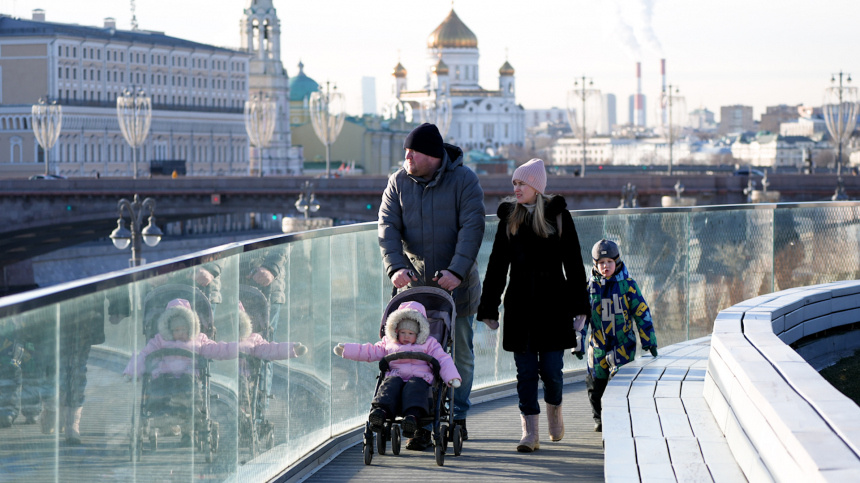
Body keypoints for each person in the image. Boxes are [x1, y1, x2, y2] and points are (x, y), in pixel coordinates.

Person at [378, 122, 485, 450]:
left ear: (433, 156)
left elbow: (472, 226)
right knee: (410, 355)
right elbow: (387, 228)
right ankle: (420, 422)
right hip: (412, 292)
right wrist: (395, 267)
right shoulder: (398, 182)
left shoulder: (464, 180)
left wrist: (456, 270)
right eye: (405, 151)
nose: (406, 156)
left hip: (457, 288)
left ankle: (459, 415)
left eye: (413, 151)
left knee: (460, 353)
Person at [476, 158, 590, 453]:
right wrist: (489, 307)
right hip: (519, 309)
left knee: (552, 370)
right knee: (525, 372)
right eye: (514, 183)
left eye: (521, 183)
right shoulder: (508, 219)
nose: (515, 188)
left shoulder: (559, 217)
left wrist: (581, 307)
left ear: (536, 187)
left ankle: (555, 410)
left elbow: (575, 265)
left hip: (554, 307)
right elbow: (497, 265)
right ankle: (530, 432)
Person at [333, 301, 461, 437]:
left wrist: (451, 377)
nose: (406, 336)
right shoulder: (389, 343)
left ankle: (412, 418)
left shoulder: (429, 344)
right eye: (403, 332)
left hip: (420, 378)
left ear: (419, 332)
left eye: (411, 333)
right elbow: (370, 351)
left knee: (415, 387)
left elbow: (443, 359)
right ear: (396, 331)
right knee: (389, 384)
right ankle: (380, 412)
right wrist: (347, 350)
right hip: (396, 375)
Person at [123, 298, 238, 446]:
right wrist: (131, 372)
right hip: (164, 377)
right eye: (176, 330)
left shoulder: (199, 340)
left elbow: (214, 349)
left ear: (191, 327)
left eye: (183, 329)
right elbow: (144, 355)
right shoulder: (159, 340)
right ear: (169, 329)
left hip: (187, 376)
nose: (180, 333)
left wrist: (235, 349)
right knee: (157, 389)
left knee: (190, 390)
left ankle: (189, 427)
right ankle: (159, 414)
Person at [577, 239, 658, 432]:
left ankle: (619, 416)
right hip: (597, 345)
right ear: (595, 264)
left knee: (620, 382)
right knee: (595, 384)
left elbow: (641, 311)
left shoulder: (627, 285)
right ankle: (599, 418)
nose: (605, 266)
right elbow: (581, 317)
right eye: (601, 263)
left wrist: (649, 340)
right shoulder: (589, 288)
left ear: (617, 262)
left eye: (609, 262)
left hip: (623, 344)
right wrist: (577, 342)